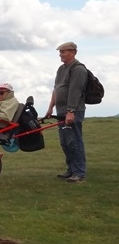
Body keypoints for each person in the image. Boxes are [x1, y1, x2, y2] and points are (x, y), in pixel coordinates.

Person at [44, 42, 88, 183]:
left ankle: (79, 173)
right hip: (61, 111)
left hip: (73, 111)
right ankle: (71, 170)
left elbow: (75, 91)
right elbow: (57, 89)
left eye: (63, 52)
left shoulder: (78, 69)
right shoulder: (61, 69)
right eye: (60, 52)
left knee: (74, 141)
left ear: (73, 52)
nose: (60, 54)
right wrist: (51, 107)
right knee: (65, 142)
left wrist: (71, 111)